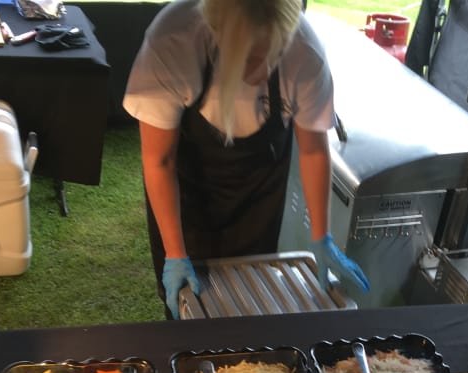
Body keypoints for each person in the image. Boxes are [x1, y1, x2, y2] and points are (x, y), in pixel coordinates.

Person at [123, 0, 369, 319]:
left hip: (260, 188)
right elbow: (160, 160)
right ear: (217, 35)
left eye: (275, 54)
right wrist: (175, 253)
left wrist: (322, 237)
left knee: (252, 297)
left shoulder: (305, 50)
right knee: (191, 309)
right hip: (187, 193)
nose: (264, 70)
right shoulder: (173, 41)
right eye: (252, 57)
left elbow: (312, 149)